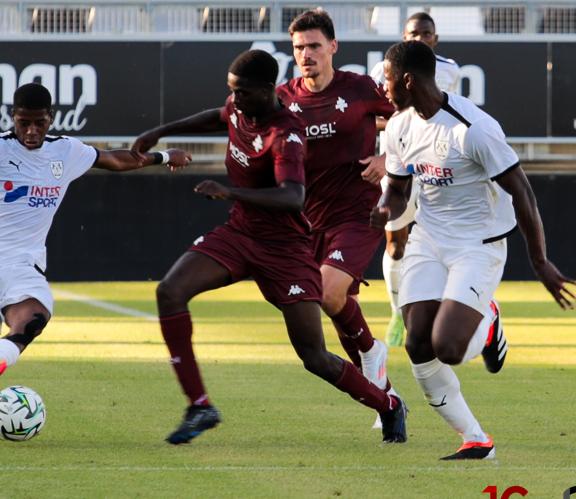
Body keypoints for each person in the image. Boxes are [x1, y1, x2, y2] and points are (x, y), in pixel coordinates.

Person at [132, 49, 408, 446]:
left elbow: (293, 197)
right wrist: (161, 130)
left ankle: (387, 405)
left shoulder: (286, 135)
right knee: (170, 291)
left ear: (265, 91)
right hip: (241, 234)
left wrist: (228, 192)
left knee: (314, 357)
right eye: (232, 92)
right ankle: (200, 405)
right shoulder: (241, 107)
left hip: (286, 250)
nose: (234, 101)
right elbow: (219, 114)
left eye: (241, 93)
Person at [0, 83, 192, 440]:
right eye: (24, 123)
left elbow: (116, 160)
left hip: (25, 265)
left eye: (39, 123)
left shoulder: (65, 151)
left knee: (34, 317)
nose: (32, 131)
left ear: (50, 119)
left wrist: (163, 157)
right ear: (13, 118)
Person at [372, 41, 576, 460]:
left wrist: (540, 262)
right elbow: (397, 187)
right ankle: (476, 439)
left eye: (388, 81)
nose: (384, 89)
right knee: (416, 344)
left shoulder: (474, 128)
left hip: (477, 245)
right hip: (427, 239)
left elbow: (523, 194)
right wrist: (384, 209)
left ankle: (489, 321)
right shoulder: (398, 126)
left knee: (447, 346)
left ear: (408, 80)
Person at [277, 9, 402, 416]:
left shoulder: (360, 88)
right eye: (299, 48)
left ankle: (370, 351)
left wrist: (388, 158)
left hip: (358, 211)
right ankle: (381, 390)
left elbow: (408, 118)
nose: (306, 54)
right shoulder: (284, 98)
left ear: (333, 47)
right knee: (336, 304)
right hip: (307, 220)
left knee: (330, 294)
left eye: (314, 46)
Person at [370, 13, 462, 347]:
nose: (420, 38)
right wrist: (390, 139)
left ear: (435, 39)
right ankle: (397, 312)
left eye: (427, 33)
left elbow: (450, 113)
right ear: (404, 36)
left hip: (436, 168)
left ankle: (441, 308)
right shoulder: (383, 68)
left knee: (442, 243)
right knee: (396, 243)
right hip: (398, 166)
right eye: (414, 33)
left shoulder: (449, 69)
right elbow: (376, 116)